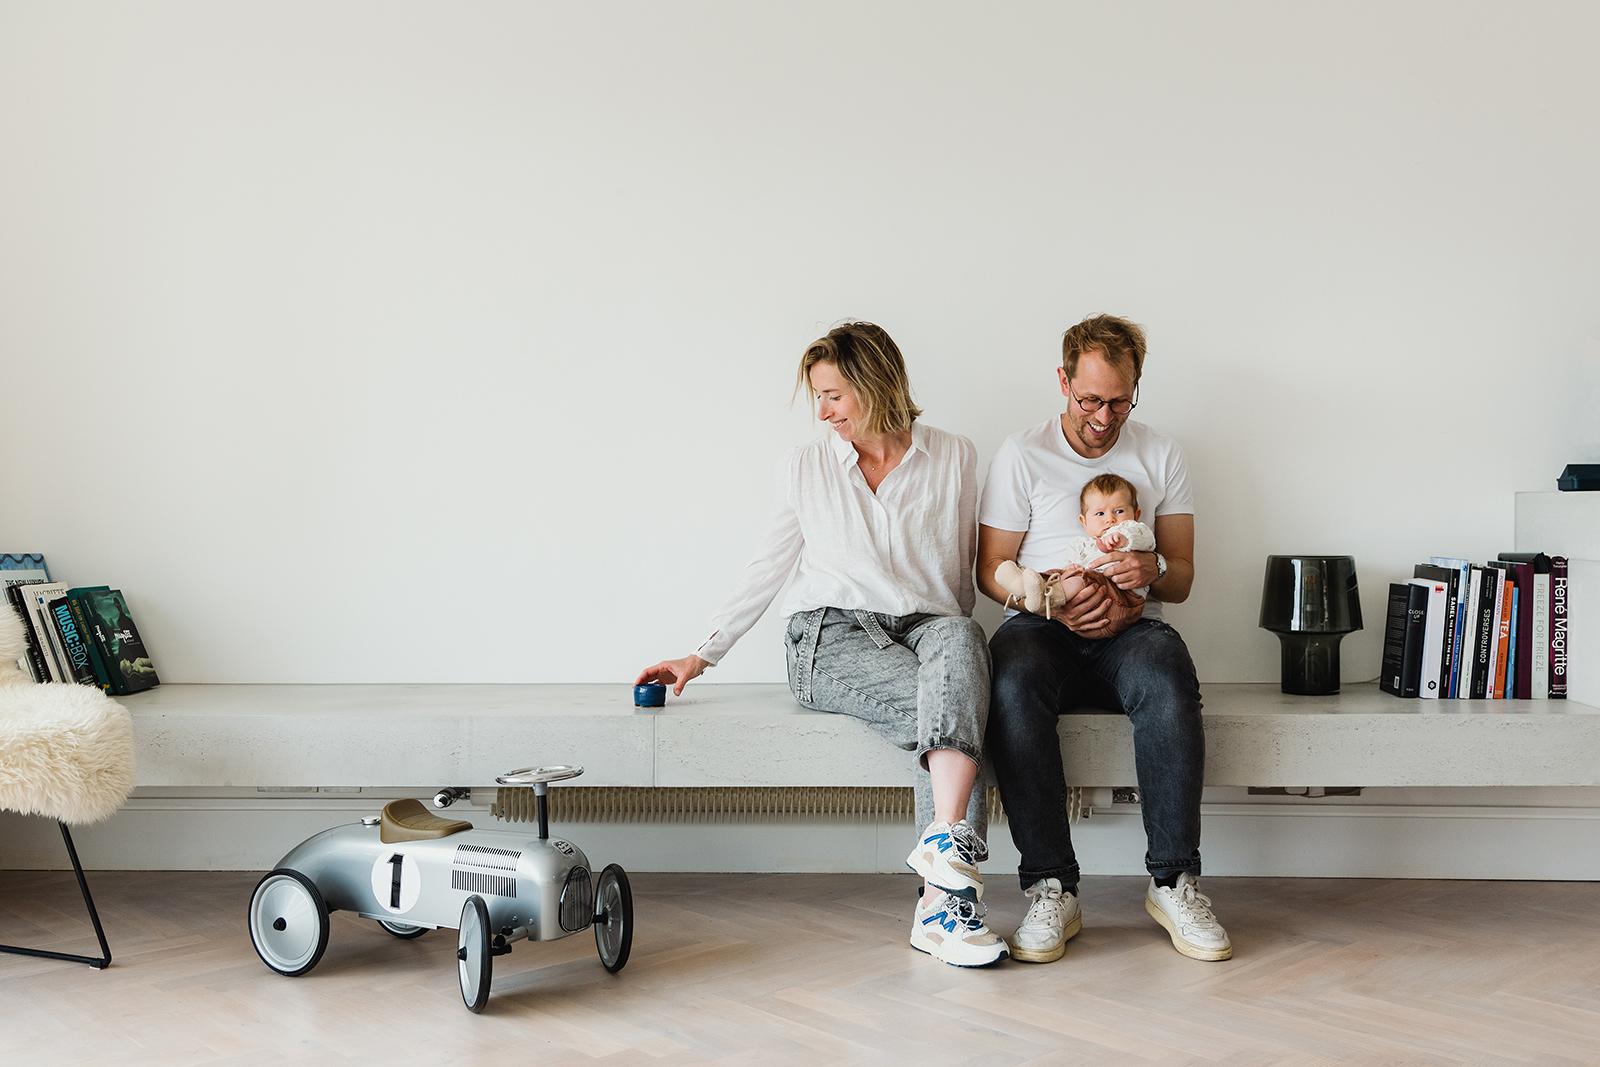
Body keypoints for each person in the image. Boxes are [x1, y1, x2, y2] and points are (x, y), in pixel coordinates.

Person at [636, 321, 1007, 968]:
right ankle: (946, 900)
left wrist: (954, 649)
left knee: (960, 638)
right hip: (829, 637)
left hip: (925, 630)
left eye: (834, 394)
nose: (823, 410)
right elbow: (768, 566)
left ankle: (938, 890)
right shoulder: (805, 467)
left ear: (874, 385)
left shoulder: (955, 455)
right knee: (957, 715)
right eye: (818, 396)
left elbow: (957, 578)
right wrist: (702, 653)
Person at [977, 314, 1231, 964]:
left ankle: (1175, 880)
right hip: (1043, 624)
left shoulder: (1161, 453)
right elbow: (989, 569)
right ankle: (1051, 886)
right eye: (1089, 399)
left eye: (1119, 400)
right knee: (1008, 676)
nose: (1103, 415)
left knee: (1169, 671)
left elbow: (1184, 577)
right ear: (1062, 381)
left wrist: (1152, 572)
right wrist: (1048, 599)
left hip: (1133, 628)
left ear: (1136, 387)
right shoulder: (1022, 452)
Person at [993, 473, 1158, 616]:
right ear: (1084, 522)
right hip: (1081, 600)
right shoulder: (1083, 545)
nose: (1110, 519)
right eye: (1100, 513)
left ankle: (1046, 599)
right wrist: (1071, 569)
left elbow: (1146, 540)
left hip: (1121, 601)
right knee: (1057, 574)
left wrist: (1124, 538)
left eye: (1119, 511)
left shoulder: (1134, 531)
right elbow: (1074, 564)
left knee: (1081, 580)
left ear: (1136, 515)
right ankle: (1020, 586)